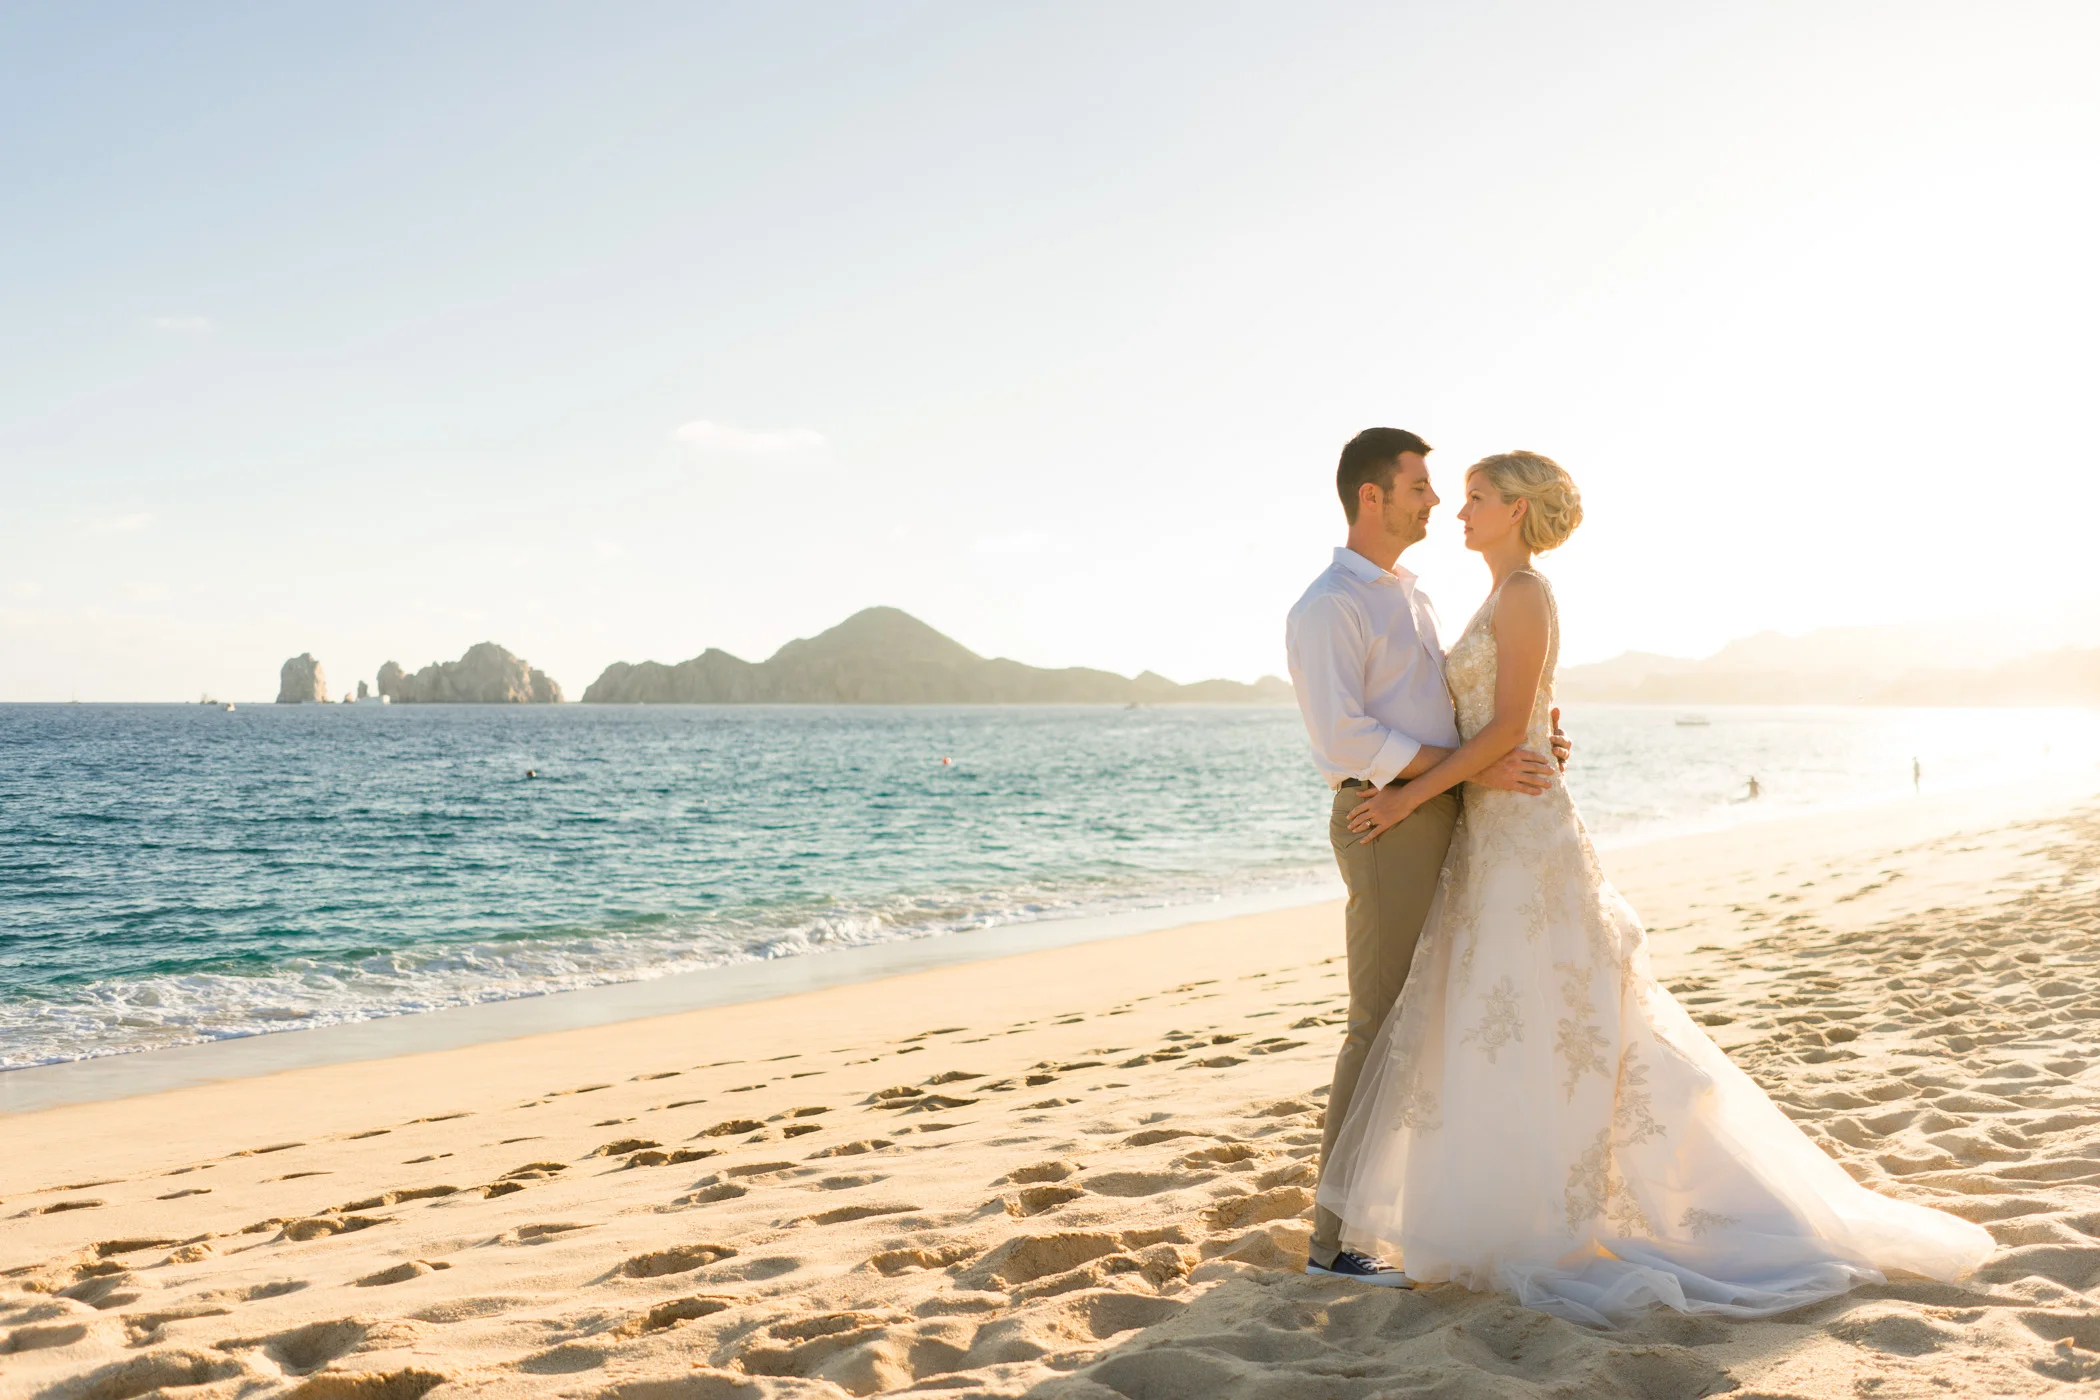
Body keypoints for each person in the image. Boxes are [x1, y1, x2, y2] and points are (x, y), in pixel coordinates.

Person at [1314, 451, 1992, 1324]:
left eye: (1475, 498)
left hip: (1522, 832)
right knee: (1504, 1013)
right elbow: (1503, 727)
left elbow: (1510, 724)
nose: (1458, 511)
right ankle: (1511, 1198)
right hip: (1490, 831)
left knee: (1563, 1011)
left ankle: (1572, 1208)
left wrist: (1410, 791)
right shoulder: (1488, 595)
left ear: (1517, 511)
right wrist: (1520, 752)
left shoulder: (1526, 594)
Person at [1284, 428, 1569, 1284]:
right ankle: (1331, 1242)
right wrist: (1444, 774)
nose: (1437, 502)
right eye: (1419, 487)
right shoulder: (1329, 603)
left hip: (1452, 813)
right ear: (1372, 497)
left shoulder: (1412, 595)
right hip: (1389, 822)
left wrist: (1531, 741)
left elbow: (1472, 708)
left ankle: (1408, 1206)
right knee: (1379, 1022)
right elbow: (1343, 735)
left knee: (1443, 1017)